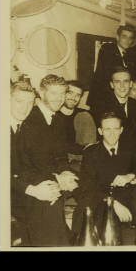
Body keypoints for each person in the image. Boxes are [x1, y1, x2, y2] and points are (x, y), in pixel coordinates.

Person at [73, 112, 136, 245]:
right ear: (100, 131)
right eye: (107, 129)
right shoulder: (91, 152)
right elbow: (89, 186)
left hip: (127, 196)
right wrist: (113, 203)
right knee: (98, 234)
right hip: (101, 197)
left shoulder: (130, 148)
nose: (112, 133)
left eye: (116, 129)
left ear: (121, 130)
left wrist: (131, 175)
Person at [19, 74, 79, 246]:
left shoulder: (59, 119)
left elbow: (61, 154)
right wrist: (56, 178)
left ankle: (78, 236)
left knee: (89, 184)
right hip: (30, 179)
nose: (59, 99)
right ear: (42, 93)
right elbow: (28, 162)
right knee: (50, 201)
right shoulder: (28, 117)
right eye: (54, 93)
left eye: (62, 94)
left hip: (52, 174)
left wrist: (66, 171)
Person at [10, 80, 37, 246]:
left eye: (29, 103)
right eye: (19, 102)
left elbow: (29, 165)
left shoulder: (25, 128)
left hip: (17, 189)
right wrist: (31, 189)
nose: (25, 108)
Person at [91, 67, 136, 149]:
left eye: (125, 81)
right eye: (117, 82)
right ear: (112, 85)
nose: (122, 86)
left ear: (131, 84)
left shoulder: (134, 104)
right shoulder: (101, 105)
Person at [87, 25, 136, 109]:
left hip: (115, 95)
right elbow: (113, 72)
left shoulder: (129, 55)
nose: (127, 40)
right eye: (124, 37)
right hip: (101, 96)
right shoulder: (108, 49)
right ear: (117, 37)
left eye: (130, 38)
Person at [58, 81, 96, 155]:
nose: (73, 98)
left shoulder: (84, 114)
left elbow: (91, 145)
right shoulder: (53, 115)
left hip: (81, 159)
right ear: (63, 93)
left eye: (78, 95)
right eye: (70, 93)